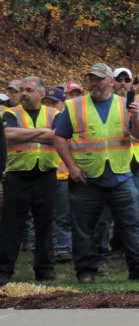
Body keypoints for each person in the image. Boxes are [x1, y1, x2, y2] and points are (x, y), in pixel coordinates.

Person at [52, 63, 139, 283]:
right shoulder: (74, 106)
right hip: (87, 179)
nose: (95, 83)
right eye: (92, 78)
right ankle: (86, 272)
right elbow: (59, 136)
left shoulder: (128, 104)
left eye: (100, 79)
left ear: (111, 81)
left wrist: (136, 117)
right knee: (84, 229)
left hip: (121, 176)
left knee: (133, 225)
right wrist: (71, 167)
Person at [0, 76, 59, 286]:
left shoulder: (54, 113)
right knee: (11, 224)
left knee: (45, 223)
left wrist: (26, 135)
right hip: (18, 174)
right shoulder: (11, 112)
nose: (24, 93)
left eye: (29, 90)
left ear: (41, 95)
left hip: (45, 174)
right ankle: (4, 269)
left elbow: (59, 136)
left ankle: (45, 268)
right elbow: (8, 134)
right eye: (22, 90)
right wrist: (41, 133)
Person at [43, 87, 73, 264]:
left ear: (62, 103)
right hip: (45, 171)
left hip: (62, 173)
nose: (51, 105)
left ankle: (62, 249)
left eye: (54, 102)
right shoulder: (45, 116)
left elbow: (55, 137)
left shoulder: (65, 118)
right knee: (44, 214)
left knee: (63, 215)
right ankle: (49, 247)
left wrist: (38, 135)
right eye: (48, 101)